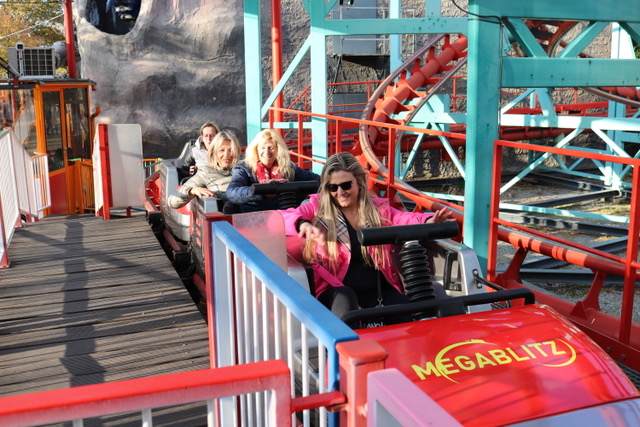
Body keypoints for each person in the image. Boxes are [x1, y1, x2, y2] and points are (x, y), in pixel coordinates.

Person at [280, 152, 453, 327]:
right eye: (333, 187)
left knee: (407, 313)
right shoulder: (317, 208)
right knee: (346, 302)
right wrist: (302, 223)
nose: (340, 192)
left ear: (359, 182)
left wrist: (429, 221)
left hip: (378, 292)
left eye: (346, 185)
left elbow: (403, 218)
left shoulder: (378, 210)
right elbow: (282, 217)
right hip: (337, 291)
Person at [226, 129, 320, 212]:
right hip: (254, 216)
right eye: (263, 148)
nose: (267, 152)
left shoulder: (287, 168)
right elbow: (232, 192)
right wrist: (261, 190)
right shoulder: (244, 169)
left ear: (278, 149)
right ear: (256, 149)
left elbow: (317, 180)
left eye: (270, 148)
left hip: (284, 216)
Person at [169, 129, 241, 209]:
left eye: (231, 150)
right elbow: (172, 201)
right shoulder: (206, 172)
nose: (227, 155)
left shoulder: (245, 168)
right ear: (214, 152)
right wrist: (192, 191)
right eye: (222, 150)